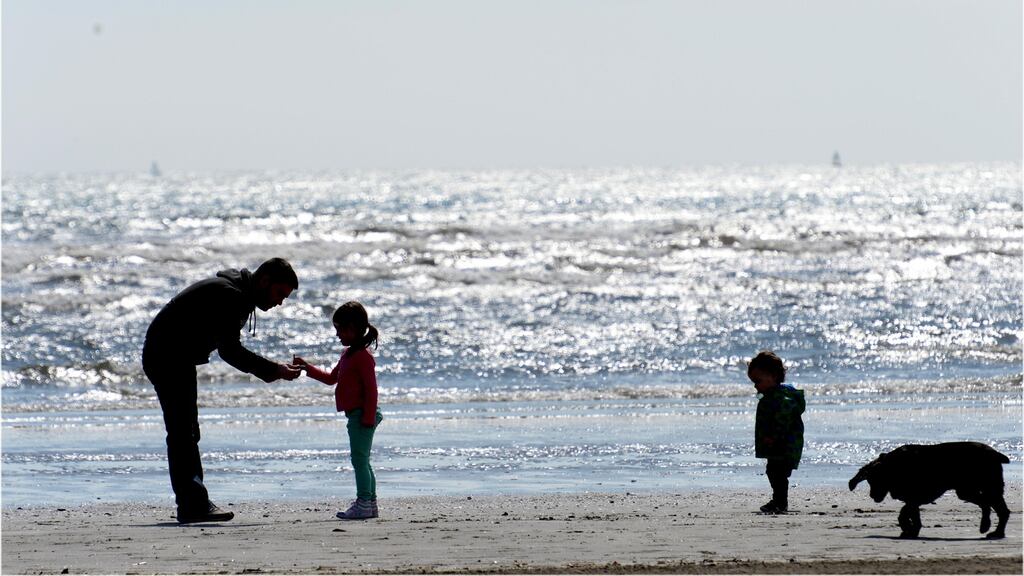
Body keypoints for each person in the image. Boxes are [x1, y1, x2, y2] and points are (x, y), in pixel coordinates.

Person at [142, 258, 302, 524]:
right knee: (183, 432)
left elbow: (228, 348)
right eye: (279, 294)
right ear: (264, 281)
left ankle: (192, 503)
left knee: (186, 431)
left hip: (172, 355)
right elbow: (230, 352)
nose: (279, 302)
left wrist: (272, 370)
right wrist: (274, 370)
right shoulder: (232, 296)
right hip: (167, 355)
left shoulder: (237, 293)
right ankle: (192, 505)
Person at [292, 301, 383, 520]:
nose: (337, 334)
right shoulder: (348, 355)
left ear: (353, 329)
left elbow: (371, 390)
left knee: (359, 461)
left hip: (363, 415)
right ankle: (370, 504)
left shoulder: (363, 357)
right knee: (362, 460)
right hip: (357, 415)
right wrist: (307, 368)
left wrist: (368, 418)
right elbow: (331, 378)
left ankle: (364, 502)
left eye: (340, 329)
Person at [747, 350, 805, 514]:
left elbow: (783, 418)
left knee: (776, 472)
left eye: (758, 381)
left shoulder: (781, 397)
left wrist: (774, 436)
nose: (755, 386)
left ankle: (780, 502)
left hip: (784, 444)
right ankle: (779, 501)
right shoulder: (773, 395)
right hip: (781, 443)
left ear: (773, 376)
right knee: (775, 472)